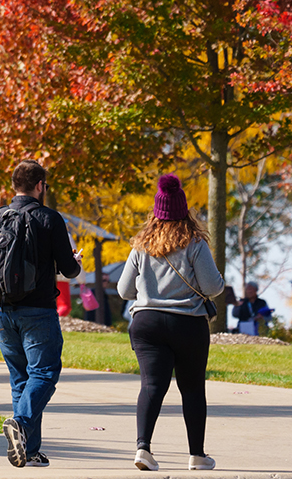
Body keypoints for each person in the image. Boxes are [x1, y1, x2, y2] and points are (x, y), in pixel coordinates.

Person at [0, 160, 81, 469]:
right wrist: (74, 261)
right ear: (40, 186)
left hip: (1, 310)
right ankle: (20, 423)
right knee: (44, 372)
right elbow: (69, 270)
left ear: (14, 185)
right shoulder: (49, 219)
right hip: (38, 309)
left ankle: (29, 450)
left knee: (21, 377)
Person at [118, 173, 225, 472]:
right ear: (184, 210)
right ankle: (197, 456)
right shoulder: (195, 243)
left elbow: (124, 290)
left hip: (147, 323)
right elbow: (212, 286)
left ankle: (143, 448)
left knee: (151, 385)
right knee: (192, 388)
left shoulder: (140, 246)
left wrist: (148, 292)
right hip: (188, 324)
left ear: (156, 211)